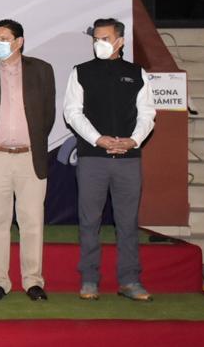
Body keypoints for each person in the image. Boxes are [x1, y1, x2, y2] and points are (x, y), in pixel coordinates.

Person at [63, 18, 156, 302]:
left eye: (105, 38)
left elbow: (147, 113)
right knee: (89, 221)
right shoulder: (81, 72)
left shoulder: (137, 73)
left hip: (128, 158)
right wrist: (98, 139)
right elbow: (72, 112)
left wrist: (134, 140)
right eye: (96, 39)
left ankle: (129, 280)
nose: (99, 43)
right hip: (93, 158)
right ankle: (89, 280)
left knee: (127, 222)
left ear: (120, 41)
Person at [0, 20, 55, 302]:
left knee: (32, 221)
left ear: (19, 42)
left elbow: (48, 115)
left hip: (30, 156)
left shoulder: (41, 70)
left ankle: (33, 281)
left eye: (4, 38)